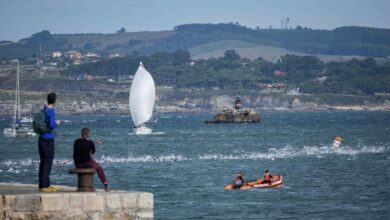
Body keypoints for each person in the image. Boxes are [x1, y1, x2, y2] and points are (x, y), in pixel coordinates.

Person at [73, 127, 110, 192]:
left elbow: (75, 151)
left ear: (81, 134)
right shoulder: (90, 143)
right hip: (86, 162)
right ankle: (105, 183)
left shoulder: (76, 141)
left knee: (88, 159)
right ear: (88, 134)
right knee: (99, 168)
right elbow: (92, 153)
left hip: (77, 164)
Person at [38, 93, 60, 192]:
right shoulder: (51, 111)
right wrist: (57, 123)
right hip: (48, 139)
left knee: (43, 162)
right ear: (55, 101)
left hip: (41, 138)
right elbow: (51, 125)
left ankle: (43, 184)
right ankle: (45, 186)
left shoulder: (44, 109)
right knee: (48, 162)